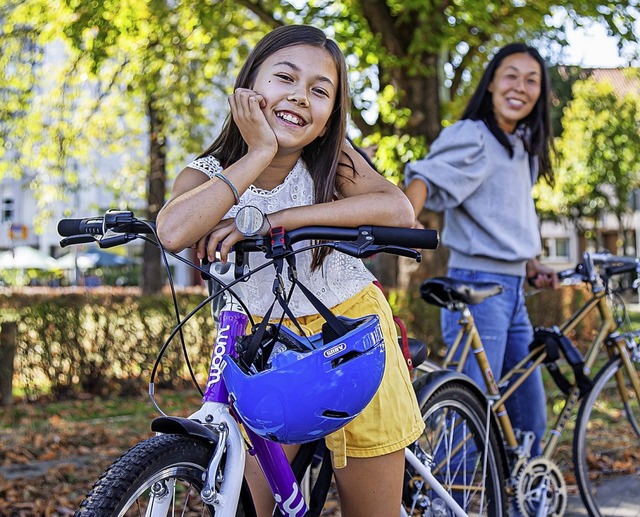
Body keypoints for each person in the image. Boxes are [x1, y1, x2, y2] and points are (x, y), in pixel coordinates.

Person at [156, 24, 424, 517]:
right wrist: (257, 153)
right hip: (264, 346)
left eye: (320, 91)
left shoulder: (332, 163)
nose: (300, 96)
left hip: (351, 332)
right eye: (285, 77)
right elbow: (173, 230)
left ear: (329, 118)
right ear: (248, 88)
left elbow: (398, 209)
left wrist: (279, 220)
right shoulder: (206, 174)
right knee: (244, 503)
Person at [404, 43, 558, 458]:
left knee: (528, 418)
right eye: (511, 75)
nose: (521, 87)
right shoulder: (472, 136)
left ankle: (521, 500)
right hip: (475, 287)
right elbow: (425, 179)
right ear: (491, 83)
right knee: (471, 420)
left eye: (532, 80)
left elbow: (506, 215)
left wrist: (531, 263)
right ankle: (450, 502)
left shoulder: (521, 144)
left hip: (513, 292)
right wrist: (404, 218)